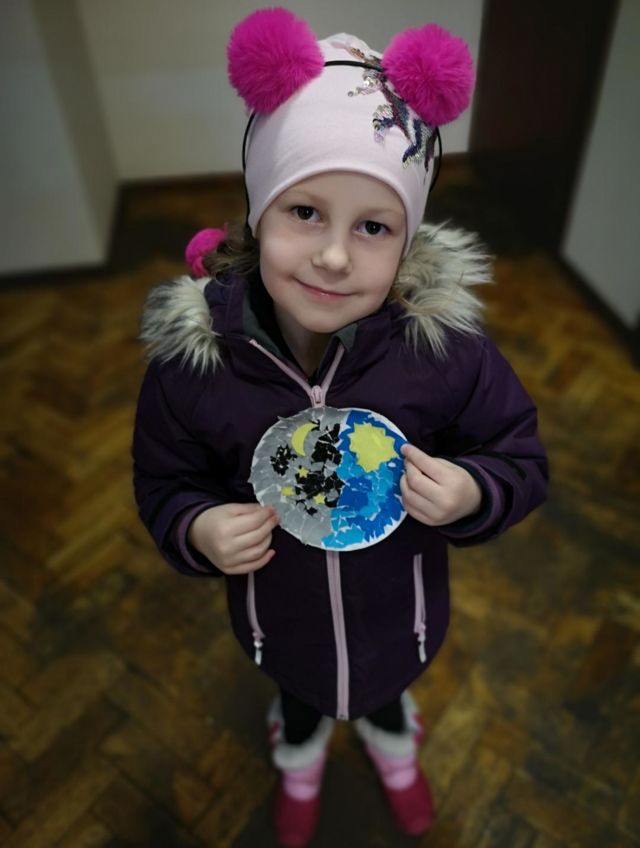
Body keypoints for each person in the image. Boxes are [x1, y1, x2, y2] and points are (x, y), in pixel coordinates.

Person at [132, 8, 548, 847]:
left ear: (406, 241)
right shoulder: (194, 366)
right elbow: (165, 480)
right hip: (278, 625)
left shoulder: (446, 353)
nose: (333, 256)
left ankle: (395, 748)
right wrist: (197, 527)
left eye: (373, 226)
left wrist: (473, 491)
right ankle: (299, 756)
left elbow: (519, 456)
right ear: (259, 213)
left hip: (402, 619)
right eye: (305, 212)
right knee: (300, 699)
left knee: (387, 695)